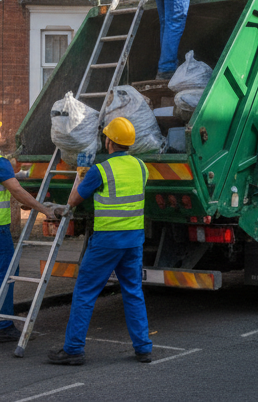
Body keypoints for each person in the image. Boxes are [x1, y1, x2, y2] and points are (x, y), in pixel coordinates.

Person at [46, 117, 152, 365]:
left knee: (85, 291)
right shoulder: (141, 167)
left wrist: (82, 176)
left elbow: (74, 200)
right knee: (133, 291)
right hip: (133, 240)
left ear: (109, 141)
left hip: (107, 241)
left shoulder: (101, 170)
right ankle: (143, 348)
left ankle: (73, 349)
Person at [0, 114, 58, 345]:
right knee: (5, 274)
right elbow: (17, 192)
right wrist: (44, 210)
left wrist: (16, 175)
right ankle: (4, 327)